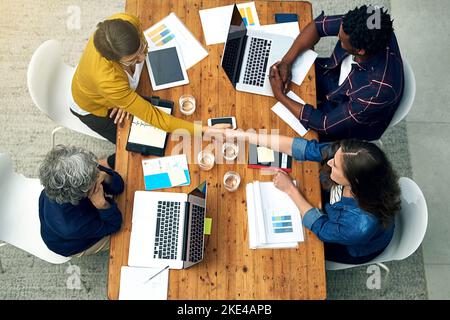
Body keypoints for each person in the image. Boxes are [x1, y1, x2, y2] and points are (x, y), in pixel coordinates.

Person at [225, 130, 401, 264]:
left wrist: (290, 190)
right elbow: (305, 148)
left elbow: (321, 227)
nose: (330, 161)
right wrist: (244, 135)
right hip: (338, 211)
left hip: (350, 245)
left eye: (336, 166)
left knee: (288, 256)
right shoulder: (350, 155)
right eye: (335, 157)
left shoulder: (359, 225)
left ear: (354, 181)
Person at [70, 13, 221, 168]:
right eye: (132, 59)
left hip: (105, 87)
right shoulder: (107, 81)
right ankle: (105, 163)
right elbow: (152, 115)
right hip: (92, 108)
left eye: (142, 47)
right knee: (138, 148)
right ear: (114, 60)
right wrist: (204, 130)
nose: (142, 58)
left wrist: (125, 101)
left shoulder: (127, 21)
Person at [269, 5, 404, 142]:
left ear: (360, 50)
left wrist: (280, 95)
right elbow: (318, 26)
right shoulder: (373, 22)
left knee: (279, 131)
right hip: (333, 74)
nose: (338, 35)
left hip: (346, 113)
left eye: (342, 40)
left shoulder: (376, 91)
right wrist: (287, 62)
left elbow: (324, 124)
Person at [38, 145, 124, 257]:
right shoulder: (72, 226)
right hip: (69, 243)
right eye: (95, 177)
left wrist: (106, 177)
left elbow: (119, 186)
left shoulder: (83, 167)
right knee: (125, 233)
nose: (98, 172)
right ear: (85, 191)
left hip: (73, 216)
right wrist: (103, 205)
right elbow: (114, 225)